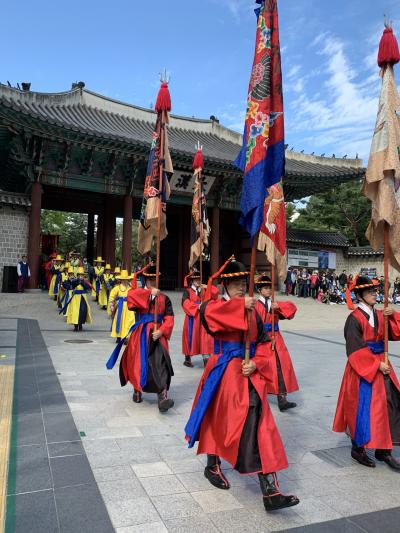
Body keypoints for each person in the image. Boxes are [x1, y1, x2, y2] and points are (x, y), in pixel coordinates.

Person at [185, 259, 299, 512]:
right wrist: (240, 306)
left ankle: (270, 489)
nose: (240, 288)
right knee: (216, 420)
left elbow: (261, 341)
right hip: (223, 371)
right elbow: (209, 316)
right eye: (235, 284)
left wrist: (257, 363)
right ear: (224, 284)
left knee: (261, 425)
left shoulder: (252, 310)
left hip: (248, 374)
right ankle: (212, 464)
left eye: (242, 284)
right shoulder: (214, 306)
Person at [333, 275, 400, 470]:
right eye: (370, 292)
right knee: (361, 407)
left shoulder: (380, 314)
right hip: (363, 368)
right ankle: (358, 449)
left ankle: (383, 449)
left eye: (375, 291)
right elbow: (354, 349)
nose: (374, 294)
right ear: (360, 295)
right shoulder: (353, 319)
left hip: (382, 363)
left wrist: (393, 315)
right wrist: (375, 365)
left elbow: (395, 333)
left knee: (388, 403)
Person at [108, 265, 175, 412]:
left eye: (155, 279)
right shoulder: (136, 293)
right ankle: (137, 390)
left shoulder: (165, 298)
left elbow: (169, 318)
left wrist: (162, 330)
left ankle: (162, 396)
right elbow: (132, 301)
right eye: (150, 279)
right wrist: (150, 295)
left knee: (161, 363)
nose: (153, 282)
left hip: (158, 333)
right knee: (138, 362)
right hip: (142, 333)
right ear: (145, 280)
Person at [254, 274, 299, 411]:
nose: (269, 291)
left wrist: (278, 306)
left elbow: (291, 309)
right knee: (262, 368)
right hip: (262, 340)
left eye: (270, 288)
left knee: (280, 366)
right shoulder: (256, 305)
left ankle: (282, 399)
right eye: (266, 288)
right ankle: (257, 395)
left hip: (277, 338)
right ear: (259, 290)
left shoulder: (274, 304)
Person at [181, 266, 218, 368]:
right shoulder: (187, 291)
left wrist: (207, 286)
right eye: (195, 279)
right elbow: (185, 303)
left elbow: (215, 294)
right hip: (192, 318)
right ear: (192, 280)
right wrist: (197, 306)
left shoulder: (203, 290)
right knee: (190, 337)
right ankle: (187, 358)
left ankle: (206, 358)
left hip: (202, 317)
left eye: (199, 279)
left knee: (205, 337)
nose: (197, 281)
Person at [109, 270, 135, 343]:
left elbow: (134, 296)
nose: (124, 281)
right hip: (120, 306)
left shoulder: (130, 288)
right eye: (123, 280)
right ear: (120, 280)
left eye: (126, 280)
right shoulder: (117, 288)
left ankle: (127, 336)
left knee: (129, 321)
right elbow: (111, 296)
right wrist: (111, 305)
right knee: (119, 320)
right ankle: (119, 336)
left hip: (129, 307)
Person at [65, 266, 92, 331]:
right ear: (77, 275)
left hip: (82, 298)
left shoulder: (85, 281)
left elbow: (88, 287)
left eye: (82, 275)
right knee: (75, 312)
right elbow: (70, 285)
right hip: (75, 299)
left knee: (82, 311)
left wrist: (82, 283)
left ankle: (80, 325)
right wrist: (77, 282)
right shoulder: (74, 281)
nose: (80, 276)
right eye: (79, 275)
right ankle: (75, 326)